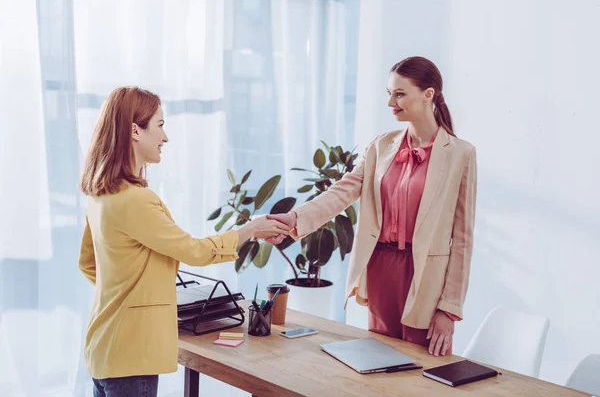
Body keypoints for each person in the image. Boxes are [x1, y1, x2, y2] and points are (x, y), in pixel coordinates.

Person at [78, 86, 289, 397]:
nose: (165, 138)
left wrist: (127, 297)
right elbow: (195, 251)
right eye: (160, 125)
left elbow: (87, 263)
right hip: (132, 358)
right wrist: (251, 230)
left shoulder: (101, 194)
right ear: (136, 130)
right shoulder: (135, 200)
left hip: (104, 348)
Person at [267, 56, 477, 357]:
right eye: (389, 93)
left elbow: (463, 241)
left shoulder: (460, 154)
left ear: (428, 95)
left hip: (426, 276)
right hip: (380, 268)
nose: (391, 101)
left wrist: (449, 308)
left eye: (400, 93)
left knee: (423, 368)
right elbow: (342, 192)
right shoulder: (381, 146)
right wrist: (293, 217)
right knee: (380, 360)